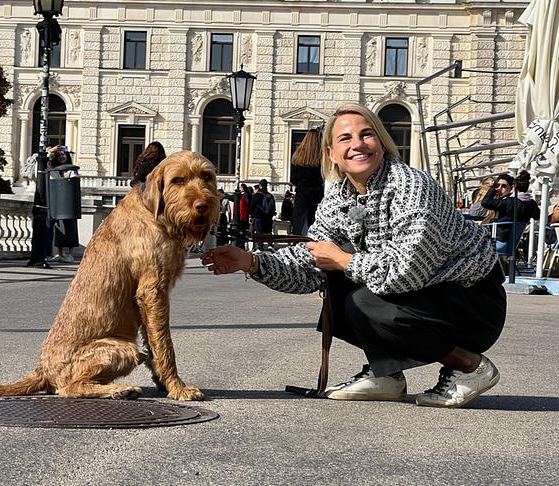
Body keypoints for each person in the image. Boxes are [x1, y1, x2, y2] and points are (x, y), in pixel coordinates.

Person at [202, 103, 505, 409]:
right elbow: (310, 263)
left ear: (382, 143)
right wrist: (251, 262)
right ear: (332, 153)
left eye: (367, 135)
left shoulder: (411, 187)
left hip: (473, 302)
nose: (357, 144)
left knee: (361, 295)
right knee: (336, 280)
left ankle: (470, 365)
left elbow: (405, 273)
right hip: (429, 296)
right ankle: (386, 374)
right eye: (345, 139)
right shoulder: (339, 195)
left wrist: (343, 259)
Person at [481, 171, 540, 257]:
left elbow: (485, 202)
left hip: (500, 242)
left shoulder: (509, 202)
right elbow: (537, 216)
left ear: (513, 187)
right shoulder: (531, 204)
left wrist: (493, 189)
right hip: (514, 244)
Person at [46, 146, 80, 264]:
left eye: (63, 155)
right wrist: (50, 152)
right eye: (59, 155)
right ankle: (60, 253)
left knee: (70, 228)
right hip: (58, 204)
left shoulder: (72, 170)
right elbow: (47, 167)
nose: (62, 157)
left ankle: (70, 253)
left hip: (69, 203)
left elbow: (73, 182)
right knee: (59, 228)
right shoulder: (54, 169)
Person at [290, 128, 325, 236]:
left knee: (300, 223)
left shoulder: (297, 157)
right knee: (314, 222)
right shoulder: (322, 157)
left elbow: (293, 179)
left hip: (302, 193)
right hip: (317, 193)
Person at [250, 179, 276, 250]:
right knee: (268, 232)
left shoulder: (256, 196)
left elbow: (251, 207)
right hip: (268, 217)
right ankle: (270, 245)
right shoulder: (270, 195)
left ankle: (260, 247)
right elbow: (273, 207)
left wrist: (252, 215)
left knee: (259, 233)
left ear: (260, 186)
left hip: (258, 216)